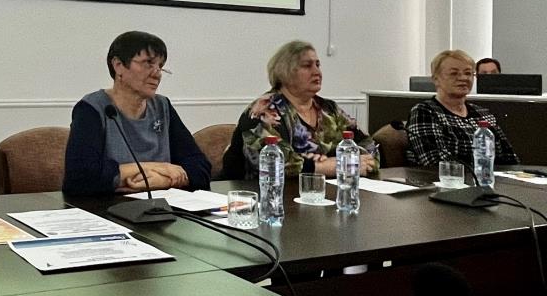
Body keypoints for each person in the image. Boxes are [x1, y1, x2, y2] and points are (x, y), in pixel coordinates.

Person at [62, 31, 210, 195]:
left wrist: (162, 180)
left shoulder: (162, 106)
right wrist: (157, 167)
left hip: (161, 205)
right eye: (148, 63)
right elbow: (80, 178)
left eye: (160, 66)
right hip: (108, 207)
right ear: (118, 65)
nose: (157, 74)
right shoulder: (92, 108)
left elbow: (200, 167)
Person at [222, 40, 378, 179]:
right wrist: (334, 166)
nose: (317, 72)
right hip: (257, 195)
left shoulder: (329, 109)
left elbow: (368, 146)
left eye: (318, 65)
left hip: (322, 192)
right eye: (307, 66)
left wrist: (362, 163)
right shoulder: (263, 110)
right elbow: (274, 162)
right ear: (285, 72)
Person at [406, 49, 519, 167]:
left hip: (489, 176)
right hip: (444, 177)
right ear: (436, 79)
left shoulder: (483, 113)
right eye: (454, 73)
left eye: (468, 73)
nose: (463, 78)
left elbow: (510, 157)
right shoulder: (424, 112)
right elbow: (435, 162)